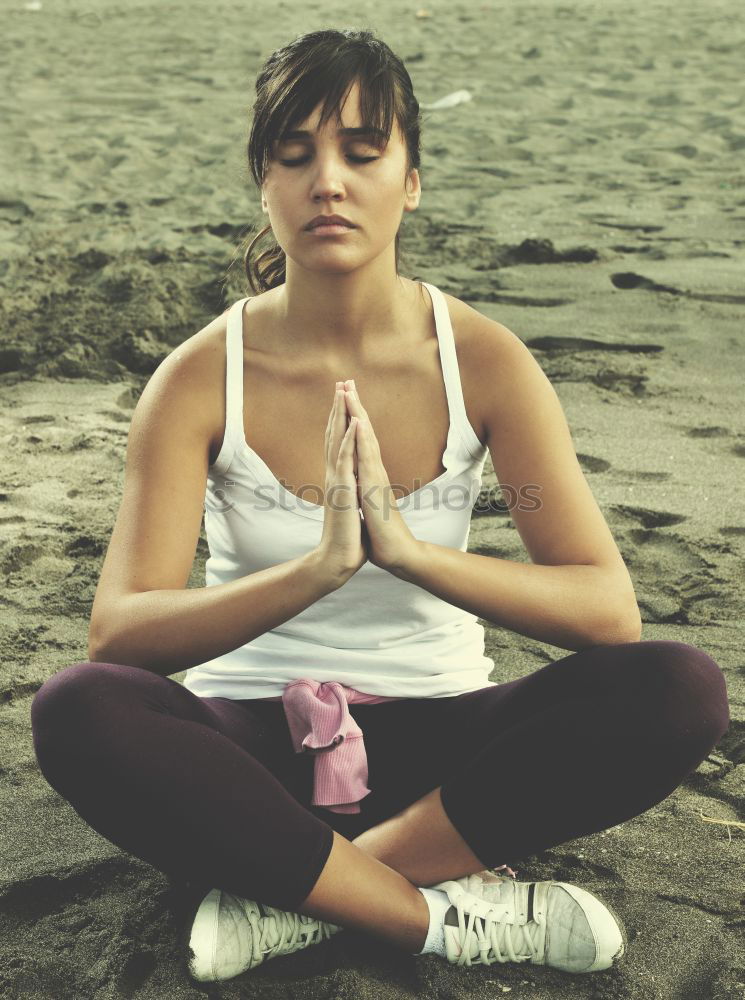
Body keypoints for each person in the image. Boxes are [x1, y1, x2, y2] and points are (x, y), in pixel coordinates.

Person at [30, 27, 730, 986]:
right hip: (251, 756)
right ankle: (428, 913)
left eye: (362, 153)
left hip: (448, 765)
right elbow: (121, 634)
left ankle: (300, 894)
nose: (329, 182)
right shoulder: (199, 379)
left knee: (679, 687)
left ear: (409, 179)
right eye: (296, 155)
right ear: (263, 181)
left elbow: (606, 612)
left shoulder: (483, 359)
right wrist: (316, 569)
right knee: (80, 707)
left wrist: (405, 553)